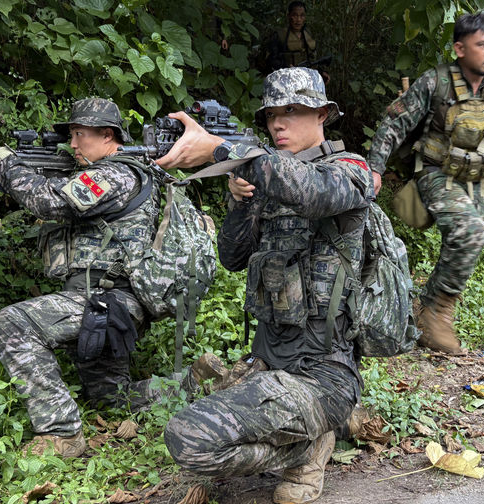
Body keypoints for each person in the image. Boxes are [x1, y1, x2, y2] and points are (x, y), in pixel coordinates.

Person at [156, 67, 372, 504]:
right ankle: (310, 438)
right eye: (272, 113)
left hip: (324, 373)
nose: (278, 122)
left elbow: (314, 193)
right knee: (186, 427)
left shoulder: (350, 171)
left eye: (292, 110)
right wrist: (239, 202)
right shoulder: (267, 178)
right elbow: (232, 258)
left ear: (322, 115)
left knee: (191, 436)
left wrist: (223, 148)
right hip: (270, 361)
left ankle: (310, 446)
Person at [0, 98, 168, 457]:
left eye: (79, 134)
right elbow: (41, 196)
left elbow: (50, 203)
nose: (72, 144)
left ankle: (61, 433)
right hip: (104, 305)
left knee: (14, 323)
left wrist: (1, 159)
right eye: (71, 135)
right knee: (111, 399)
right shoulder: (99, 173)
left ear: (107, 136)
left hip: (104, 302)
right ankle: (198, 383)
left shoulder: (116, 174)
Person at [367, 11, 484, 355]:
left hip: (478, 180)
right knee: (472, 233)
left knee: (462, 243)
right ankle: (437, 313)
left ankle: (428, 303)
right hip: (436, 173)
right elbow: (395, 124)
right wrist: (374, 168)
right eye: (481, 45)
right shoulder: (435, 82)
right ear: (460, 48)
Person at [265, 1, 330, 83]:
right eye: (295, 15)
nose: (298, 19)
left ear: (305, 18)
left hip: (307, 80)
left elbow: (312, 59)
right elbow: (270, 60)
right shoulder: (280, 35)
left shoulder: (308, 34)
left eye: (302, 16)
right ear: (289, 16)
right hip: (286, 80)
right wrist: (286, 66)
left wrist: (321, 72)